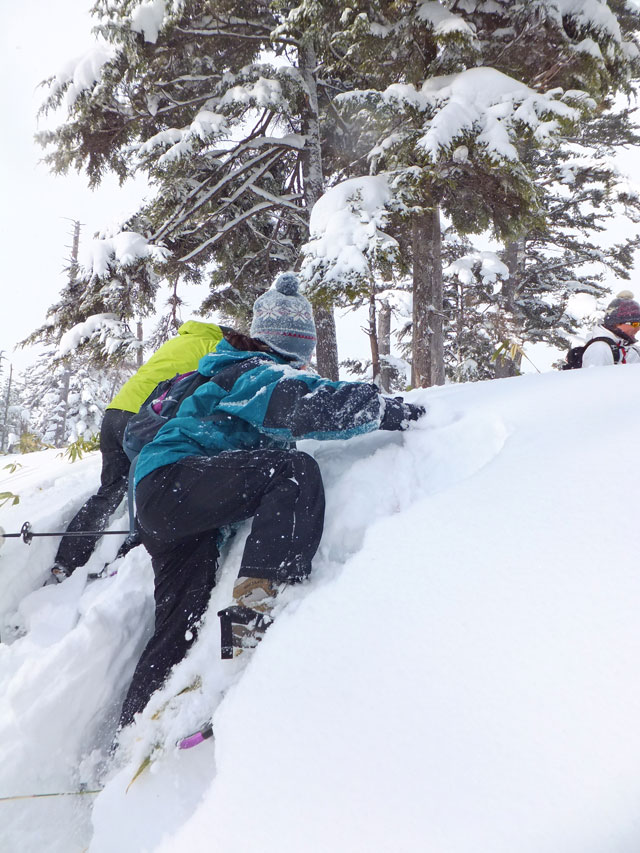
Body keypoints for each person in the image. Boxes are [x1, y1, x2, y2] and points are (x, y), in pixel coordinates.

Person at [117, 272, 425, 730]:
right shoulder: (254, 370)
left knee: (179, 626)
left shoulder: (223, 370)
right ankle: (254, 610)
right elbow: (306, 405)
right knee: (292, 473)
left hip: (164, 499)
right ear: (296, 345)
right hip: (176, 479)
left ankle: (129, 733)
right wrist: (386, 408)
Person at [50, 320, 227, 581]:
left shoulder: (178, 341)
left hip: (115, 414)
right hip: (146, 419)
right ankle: (125, 560)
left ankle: (67, 560)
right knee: (154, 486)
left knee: (110, 491)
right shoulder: (215, 347)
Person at [581, 290, 640, 368]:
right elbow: (594, 375)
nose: (638, 328)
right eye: (635, 324)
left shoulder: (627, 347)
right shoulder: (600, 349)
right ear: (617, 323)